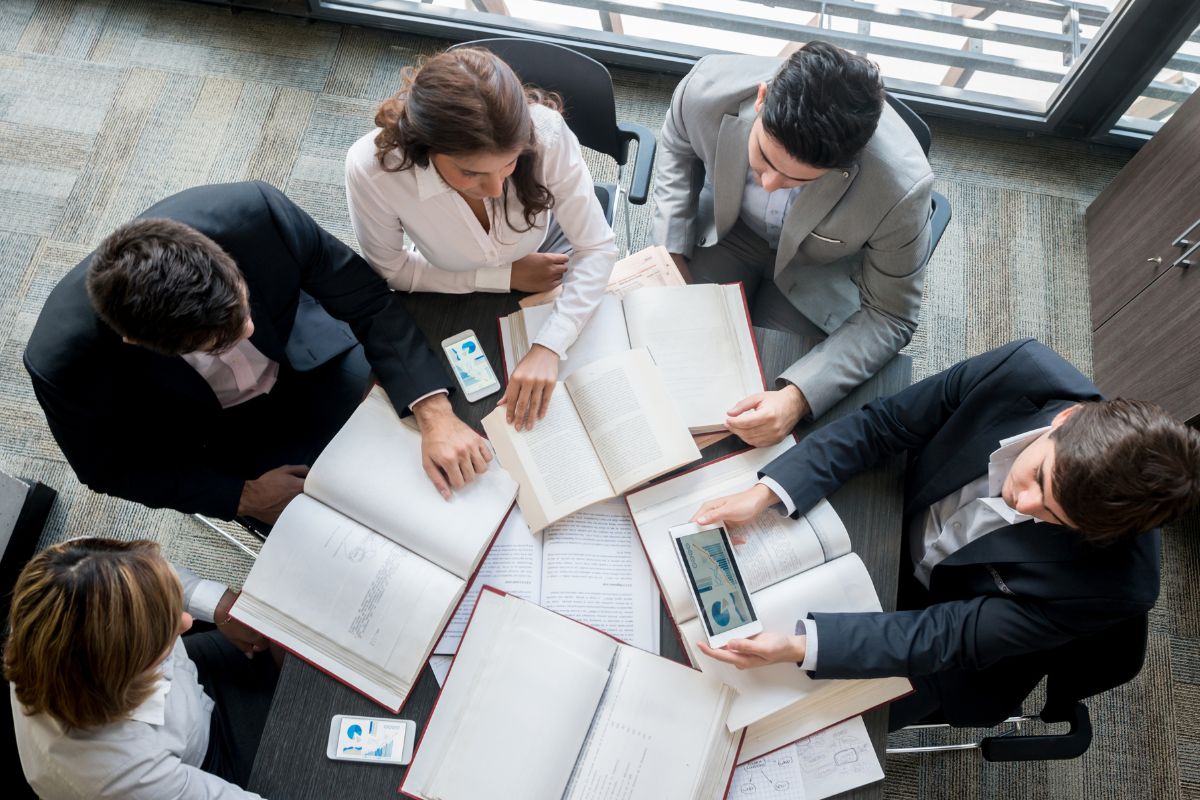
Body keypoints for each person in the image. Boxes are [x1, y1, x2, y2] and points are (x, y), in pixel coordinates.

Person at [689, 339, 1200, 728]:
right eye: (1041, 478)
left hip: (949, 640)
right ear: (1065, 420)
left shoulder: (1116, 588)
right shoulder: (1023, 372)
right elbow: (885, 425)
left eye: (1056, 518)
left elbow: (947, 635)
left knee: (781, 722)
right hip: (894, 522)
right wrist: (770, 493)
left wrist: (801, 646)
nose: (1022, 504)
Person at [24, 181, 491, 522]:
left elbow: (364, 297)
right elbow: (109, 469)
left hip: (309, 358)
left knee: (462, 438)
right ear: (140, 342)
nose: (246, 327)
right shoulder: (64, 364)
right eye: (223, 339)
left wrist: (433, 412)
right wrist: (241, 497)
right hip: (221, 438)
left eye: (242, 304)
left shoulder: (254, 215)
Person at [652, 41, 934, 446]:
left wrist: (797, 399)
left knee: (755, 412)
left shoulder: (902, 188)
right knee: (664, 361)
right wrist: (672, 254)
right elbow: (678, 148)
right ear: (762, 98)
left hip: (817, 275)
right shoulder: (706, 88)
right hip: (723, 234)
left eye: (796, 180)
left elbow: (891, 316)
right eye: (764, 160)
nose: (769, 183)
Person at [345, 47, 618, 432]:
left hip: (546, 252)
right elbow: (392, 270)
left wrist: (550, 345)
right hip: (444, 286)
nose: (494, 188)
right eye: (471, 173)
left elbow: (596, 247)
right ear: (427, 147)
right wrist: (502, 277)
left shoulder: (546, 134)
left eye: (509, 163)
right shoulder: (373, 169)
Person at [6, 537, 276, 798]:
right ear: (126, 676)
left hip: (191, 692)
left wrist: (219, 607)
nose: (186, 622)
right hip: (200, 765)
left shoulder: (76, 570)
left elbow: (154, 573)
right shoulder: (122, 776)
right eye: (163, 638)